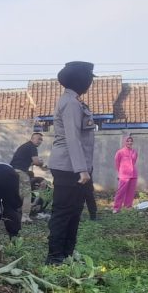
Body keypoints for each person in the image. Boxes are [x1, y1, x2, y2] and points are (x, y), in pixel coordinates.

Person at [47, 61, 96, 264]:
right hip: (70, 168)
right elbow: (72, 137)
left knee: (74, 212)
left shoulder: (73, 101)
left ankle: (66, 254)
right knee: (64, 212)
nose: (90, 82)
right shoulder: (71, 103)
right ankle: (55, 256)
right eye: (89, 78)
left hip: (73, 167)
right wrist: (82, 170)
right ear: (81, 80)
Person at [10, 132, 44, 220]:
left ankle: (15, 210)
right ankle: (25, 216)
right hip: (20, 171)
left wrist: (35, 163)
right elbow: (36, 162)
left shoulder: (25, 146)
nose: (40, 141)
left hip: (11, 170)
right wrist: (41, 163)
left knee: (17, 192)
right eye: (38, 139)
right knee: (27, 193)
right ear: (32, 139)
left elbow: (28, 161)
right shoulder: (32, 147)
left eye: (41, 140)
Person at [112, 135, 138, 213]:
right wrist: (120, 173)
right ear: (124, 142)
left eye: (131, 141)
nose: (129, 142)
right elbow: (117, 163)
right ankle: (116, 208)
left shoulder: (134, 152)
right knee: (120, 192)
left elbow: (134, 162)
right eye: (127, 141)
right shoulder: (120, 152)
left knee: (131, 192)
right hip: (124, 175)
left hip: (133, 174)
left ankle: (128, 206)